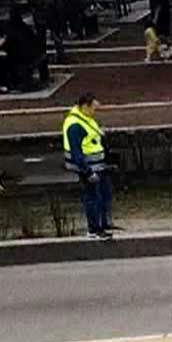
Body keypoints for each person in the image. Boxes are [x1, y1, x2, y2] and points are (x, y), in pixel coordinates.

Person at [62, 92, 114, 240]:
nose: (94, 112)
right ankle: (94, 229)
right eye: (93, 108)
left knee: (104, 195)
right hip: (89, 168)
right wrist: (87, 171)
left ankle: (103, 225)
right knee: (93, 198)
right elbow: (76, 152)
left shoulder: (86, 119)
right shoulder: (75, 125)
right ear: (85, 106)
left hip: (99, 166)